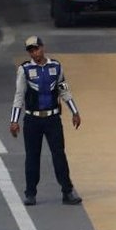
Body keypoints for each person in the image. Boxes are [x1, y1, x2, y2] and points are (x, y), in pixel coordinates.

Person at [9, 36, 82, 207]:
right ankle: (30, 193)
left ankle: (67, 191)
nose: (35, 53)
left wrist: (75, 111)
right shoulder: (25, 70)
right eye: (31, 50)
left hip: (52, 119)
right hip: (32, 120)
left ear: (43, 48)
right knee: (32, 157)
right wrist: (14, 121)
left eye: (37, 49)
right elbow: (19, 96)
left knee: (59, 155)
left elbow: (64, 91)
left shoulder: (56, 67)